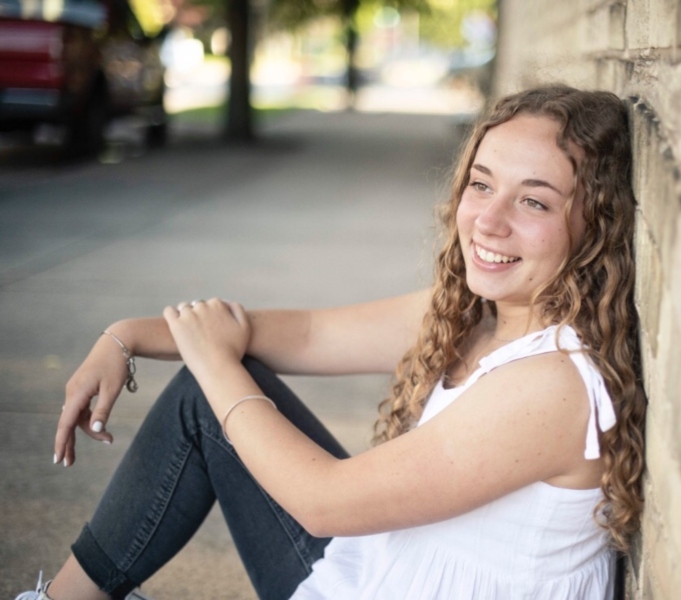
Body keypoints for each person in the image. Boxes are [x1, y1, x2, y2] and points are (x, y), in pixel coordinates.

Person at [17, 85, 646, 600]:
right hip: (372, 577)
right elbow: (302, 333)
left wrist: (211, 362)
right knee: (205, 393)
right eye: (481, 185)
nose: (488, 218)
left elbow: (323, 503)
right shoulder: (477, 315)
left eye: (533, 202)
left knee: (214, 387)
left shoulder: (552, 384)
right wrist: (125, 337)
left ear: (595, 227)